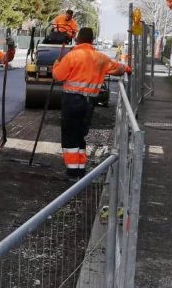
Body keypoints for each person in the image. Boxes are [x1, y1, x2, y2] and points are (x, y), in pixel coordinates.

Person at [51, 27, 130, 179]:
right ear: (92, 40)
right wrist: (127, 68)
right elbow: (118, 69)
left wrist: (56, 65)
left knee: (70, 135)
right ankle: (80, 169)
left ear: (78, 40)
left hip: (72, 101)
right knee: (80, 135)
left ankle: (72, 172)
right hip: (89, 103)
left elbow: (58, 76)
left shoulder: (72, 56)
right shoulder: (100, 58)